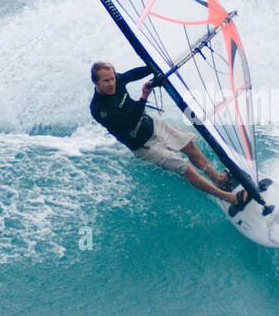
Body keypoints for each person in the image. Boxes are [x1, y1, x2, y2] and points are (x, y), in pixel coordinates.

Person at [89, 61, 250, 211]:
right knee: (185, 168)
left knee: (190, 146)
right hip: (143, 145)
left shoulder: (117, 80)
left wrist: (153, 67)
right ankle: (228, 198)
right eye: (106, 81)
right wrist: (144, 96)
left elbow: (131, 75)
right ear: (96, 83)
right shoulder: (99, 108)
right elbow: (129, 121)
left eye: (112, 79)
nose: (111, 84)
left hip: (151, 125)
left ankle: (219, 179)